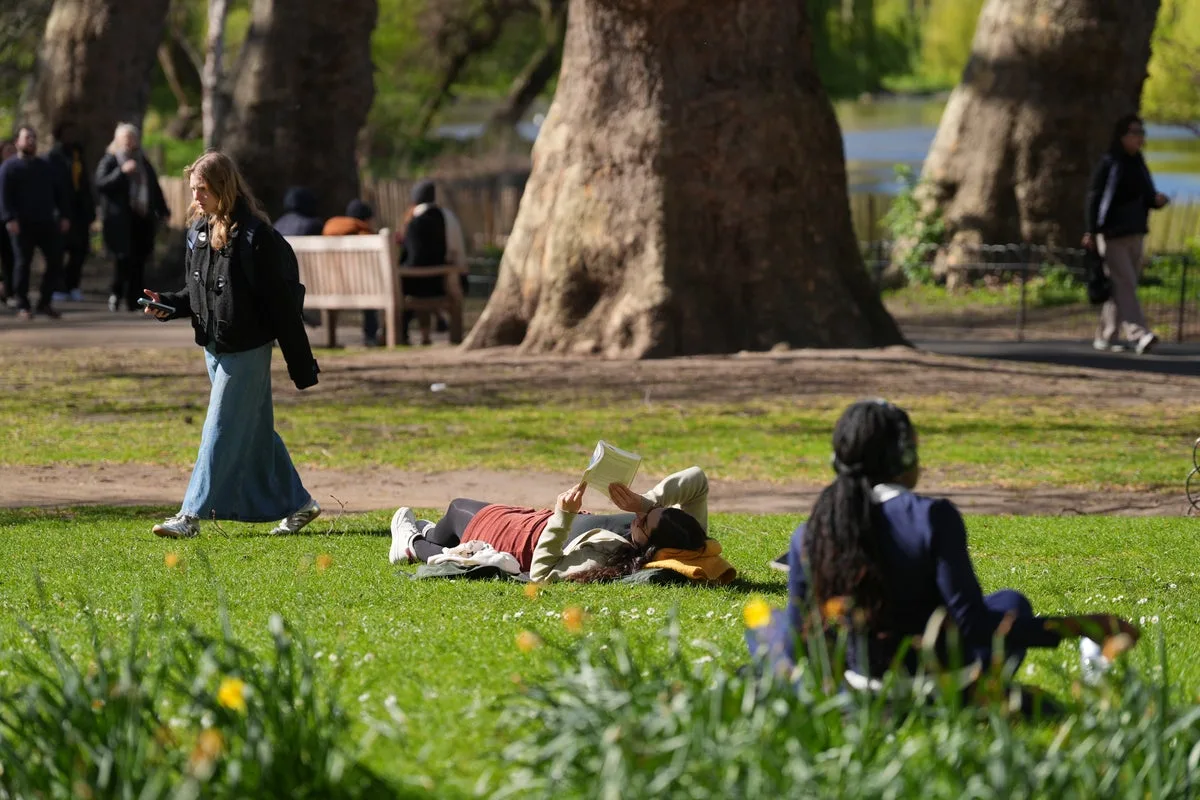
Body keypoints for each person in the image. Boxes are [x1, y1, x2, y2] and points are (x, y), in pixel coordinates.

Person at [755, 400, 1140, 683]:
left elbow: (801, 639)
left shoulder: (811, 531)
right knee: (1011, 603)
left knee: (771, 622)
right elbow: (974, 625)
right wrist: (1082, 625)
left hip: (856, 686)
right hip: (938, 684)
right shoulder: (931, 517)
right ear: (906, 456)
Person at [142, 150, 322, 539]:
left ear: (223, 187)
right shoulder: (199, 233)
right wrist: (167, 305)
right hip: (214, 347)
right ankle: (300, 503)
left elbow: (282, 308)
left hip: (247, 350)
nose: (195, 199)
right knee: (253, 430)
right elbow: (196, 294)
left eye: (202, 190)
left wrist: (301, 365)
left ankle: (189, 516)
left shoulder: (257, 238)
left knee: (220, 426)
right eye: (193, 190)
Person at [389, 466, 724, 584]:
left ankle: (413, 544)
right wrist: (647, 502)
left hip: (528, 540)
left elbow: (542, 574)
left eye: (644, 522)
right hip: (549, 520)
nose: (638, 517)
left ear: (650, 545)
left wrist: (563, 516)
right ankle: (429, 541)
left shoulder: (609, 556)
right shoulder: (687, 534)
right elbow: (698, 479)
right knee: (452, 530)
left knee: (457, 508)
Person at [1083, 114, 1169, 355]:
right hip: (1112, 234)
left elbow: (1146, 195)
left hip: (1136, 232)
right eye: (1135, 133)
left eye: (1142, 133)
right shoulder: (1110, 163)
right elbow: (1094, 197)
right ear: (1122, 136)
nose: (1140, 138)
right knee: (1126, 283)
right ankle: (1140, 334)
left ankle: (1106, 336)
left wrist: (1157, 200)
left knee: (1121, 285)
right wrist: (1091, 230)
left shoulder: (1138, 163)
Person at [95, 123, 169, 312]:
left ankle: (134, 299)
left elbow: (154, 187)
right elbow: (101, 184)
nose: (129, 143)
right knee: (123, 259)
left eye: (132, 138)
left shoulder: (143, 161)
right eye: (125, 139)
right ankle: (116, 294)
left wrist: (163, 210)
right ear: (117, 141)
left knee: (139, 259)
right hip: (120, 220)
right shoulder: (111, 160)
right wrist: (121, 172)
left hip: (141, 218)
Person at [0, 126, 70, 320]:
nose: (30, 141)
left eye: (33, 137)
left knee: (56, 260)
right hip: (21, 225)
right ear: (18, 142)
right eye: (26, 138)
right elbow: (4, 197)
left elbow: (59, 193)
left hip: (46, 222)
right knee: (22, 263)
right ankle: (22, 304)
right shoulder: (9, 168)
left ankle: (44, 302)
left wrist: (64, 216)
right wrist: (9, 219)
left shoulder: (45, 166)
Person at [47, 122, 96, 302]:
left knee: (80, 250)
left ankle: (73, 284)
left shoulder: (77, 154)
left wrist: (90, 211)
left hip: (79, 211)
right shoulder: (54, 156)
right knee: (59, 251)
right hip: (62, 211)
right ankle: (58, 287)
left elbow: (85, 185)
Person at [322, 199, 381, 346]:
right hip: (362, 289)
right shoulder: (365, 235)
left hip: (332, 286)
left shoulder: (330, 230)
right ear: (366, 219)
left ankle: (331, 339)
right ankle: (371, 337)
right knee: (370, 287)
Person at [398, 181, 450, 346]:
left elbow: (413, 258)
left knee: (402, 285)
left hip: (420, 283)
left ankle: (396, 334)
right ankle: (430, 329)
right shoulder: (444, 218)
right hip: (439, 280)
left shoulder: (416, 224)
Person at [0, 139, 16, 306]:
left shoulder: (18, 171)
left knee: (10, 257)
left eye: (13, 150)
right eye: (7, 151)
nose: (11, 154)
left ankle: (9, 291)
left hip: (11, 220)